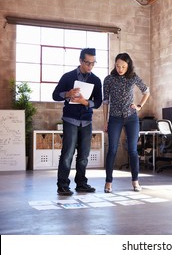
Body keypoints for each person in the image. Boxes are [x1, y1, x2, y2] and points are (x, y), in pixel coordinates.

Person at [52, 48, 103, 196]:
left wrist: (85, 102)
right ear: (80, 61)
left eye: (93, 63)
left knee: (84, 155)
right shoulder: (67, 77)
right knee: (67, 153)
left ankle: (81, 183)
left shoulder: (96, 80)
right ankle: (62, 185)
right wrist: (68, 94)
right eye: (87, 63)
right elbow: (55, 95)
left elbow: (98, 102)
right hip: (70, 120)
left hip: (86, 121)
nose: (90, 66)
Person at [103, 53, 150, 193]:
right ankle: (108, 183)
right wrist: (105, 121)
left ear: (128, 66)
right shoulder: (109, 79)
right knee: (112, 149)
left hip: (131, 118)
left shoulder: (133, 77)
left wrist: (139, 106)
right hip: (114, 118)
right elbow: (105, 102)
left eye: (123, 66)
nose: (120, 69)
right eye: (118, 66)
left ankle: (135, 182)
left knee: (133, 150)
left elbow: (146, 91)